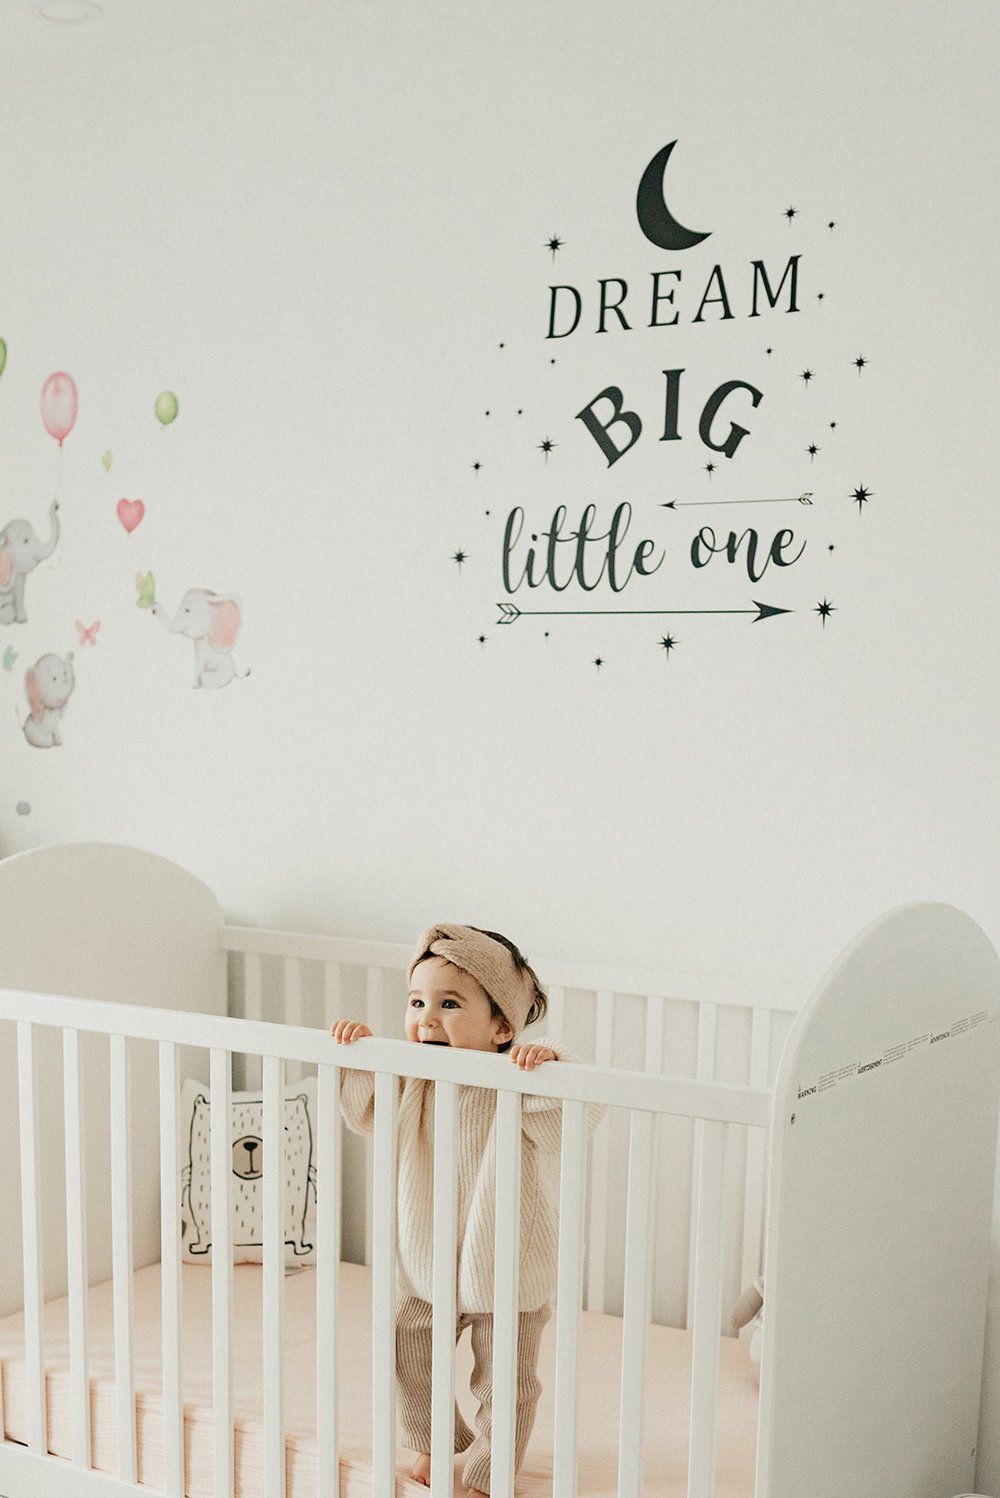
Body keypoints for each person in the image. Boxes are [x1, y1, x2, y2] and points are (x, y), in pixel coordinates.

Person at [330, 922, 596, 1496]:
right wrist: (360, 1054)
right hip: (429, 1260)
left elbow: (582, 1110)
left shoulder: (520, 1080)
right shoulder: (415, 1076)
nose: (426, 1018)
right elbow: (366, 1113)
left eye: (450, 1003)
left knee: (506, 1382)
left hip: (510, 1264)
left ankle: (488, 1474)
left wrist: (549, 1057)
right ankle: (430, 1443)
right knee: (409, 1347)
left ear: (502, 1025)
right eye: (417, 1001)